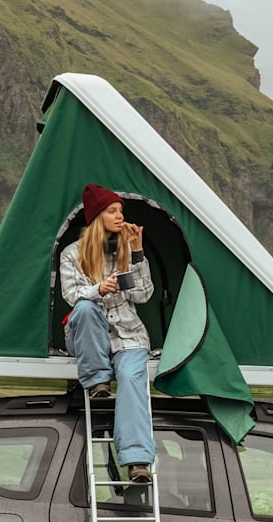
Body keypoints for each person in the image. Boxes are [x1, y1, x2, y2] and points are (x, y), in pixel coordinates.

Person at [60, 183, 156, 483]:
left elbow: (143, 295)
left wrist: (138, 253)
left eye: (120, 212)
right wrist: (98, 289)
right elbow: (71, 294)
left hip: (128, 336)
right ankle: (98, 379)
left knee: (131, 378)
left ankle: (137, 460)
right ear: (97, 215)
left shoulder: (126, 250)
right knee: (86, 308)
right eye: (113, 211)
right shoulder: (72, 255)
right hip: (89, 336)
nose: (119, 216)